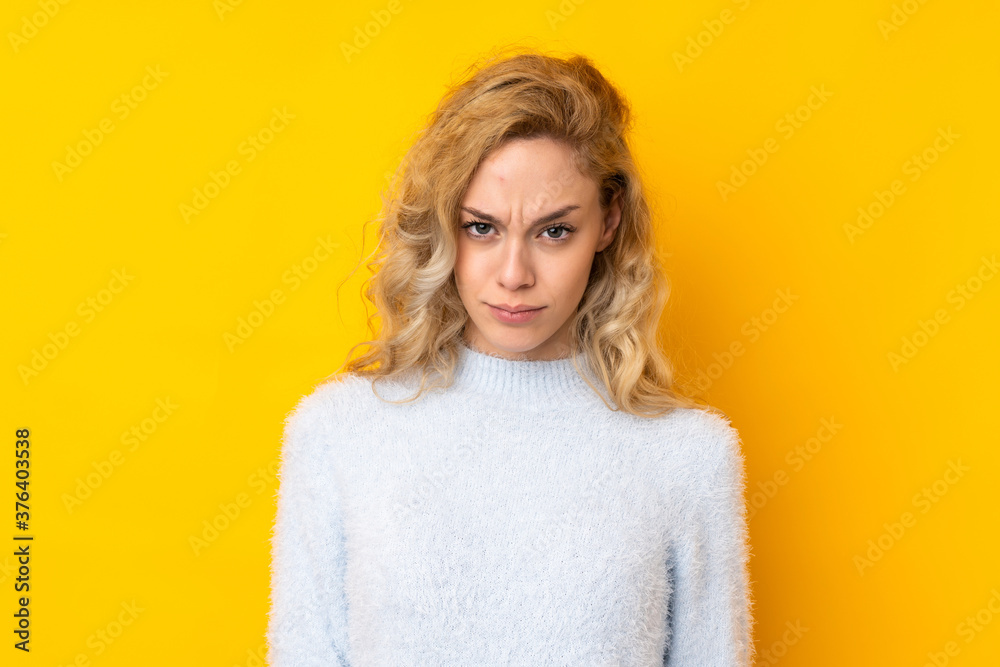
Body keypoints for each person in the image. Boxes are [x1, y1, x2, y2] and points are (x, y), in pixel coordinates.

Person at [267, 45, 755, 666]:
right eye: (482, 228)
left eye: (554, 230)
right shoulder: (338, 433)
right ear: (444, 226)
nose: (514, 275)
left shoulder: (688, 455)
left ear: (608, 223)